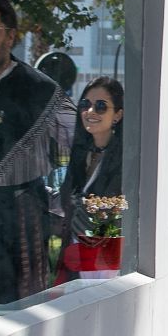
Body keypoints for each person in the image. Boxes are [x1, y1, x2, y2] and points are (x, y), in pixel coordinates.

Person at [0, 0, 75, 303]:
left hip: (17, 215)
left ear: (11, 35)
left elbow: (65, 151)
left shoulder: (40, 89)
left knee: (15, 306)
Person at [55, 77, 125, 282]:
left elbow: (125, 209)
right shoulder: (80, 154)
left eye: (101, 106)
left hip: (109, 264)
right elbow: (65, 200)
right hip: (76, 260)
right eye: (85, 104)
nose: (91, 112)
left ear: (117, 115)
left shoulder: (126, 160)